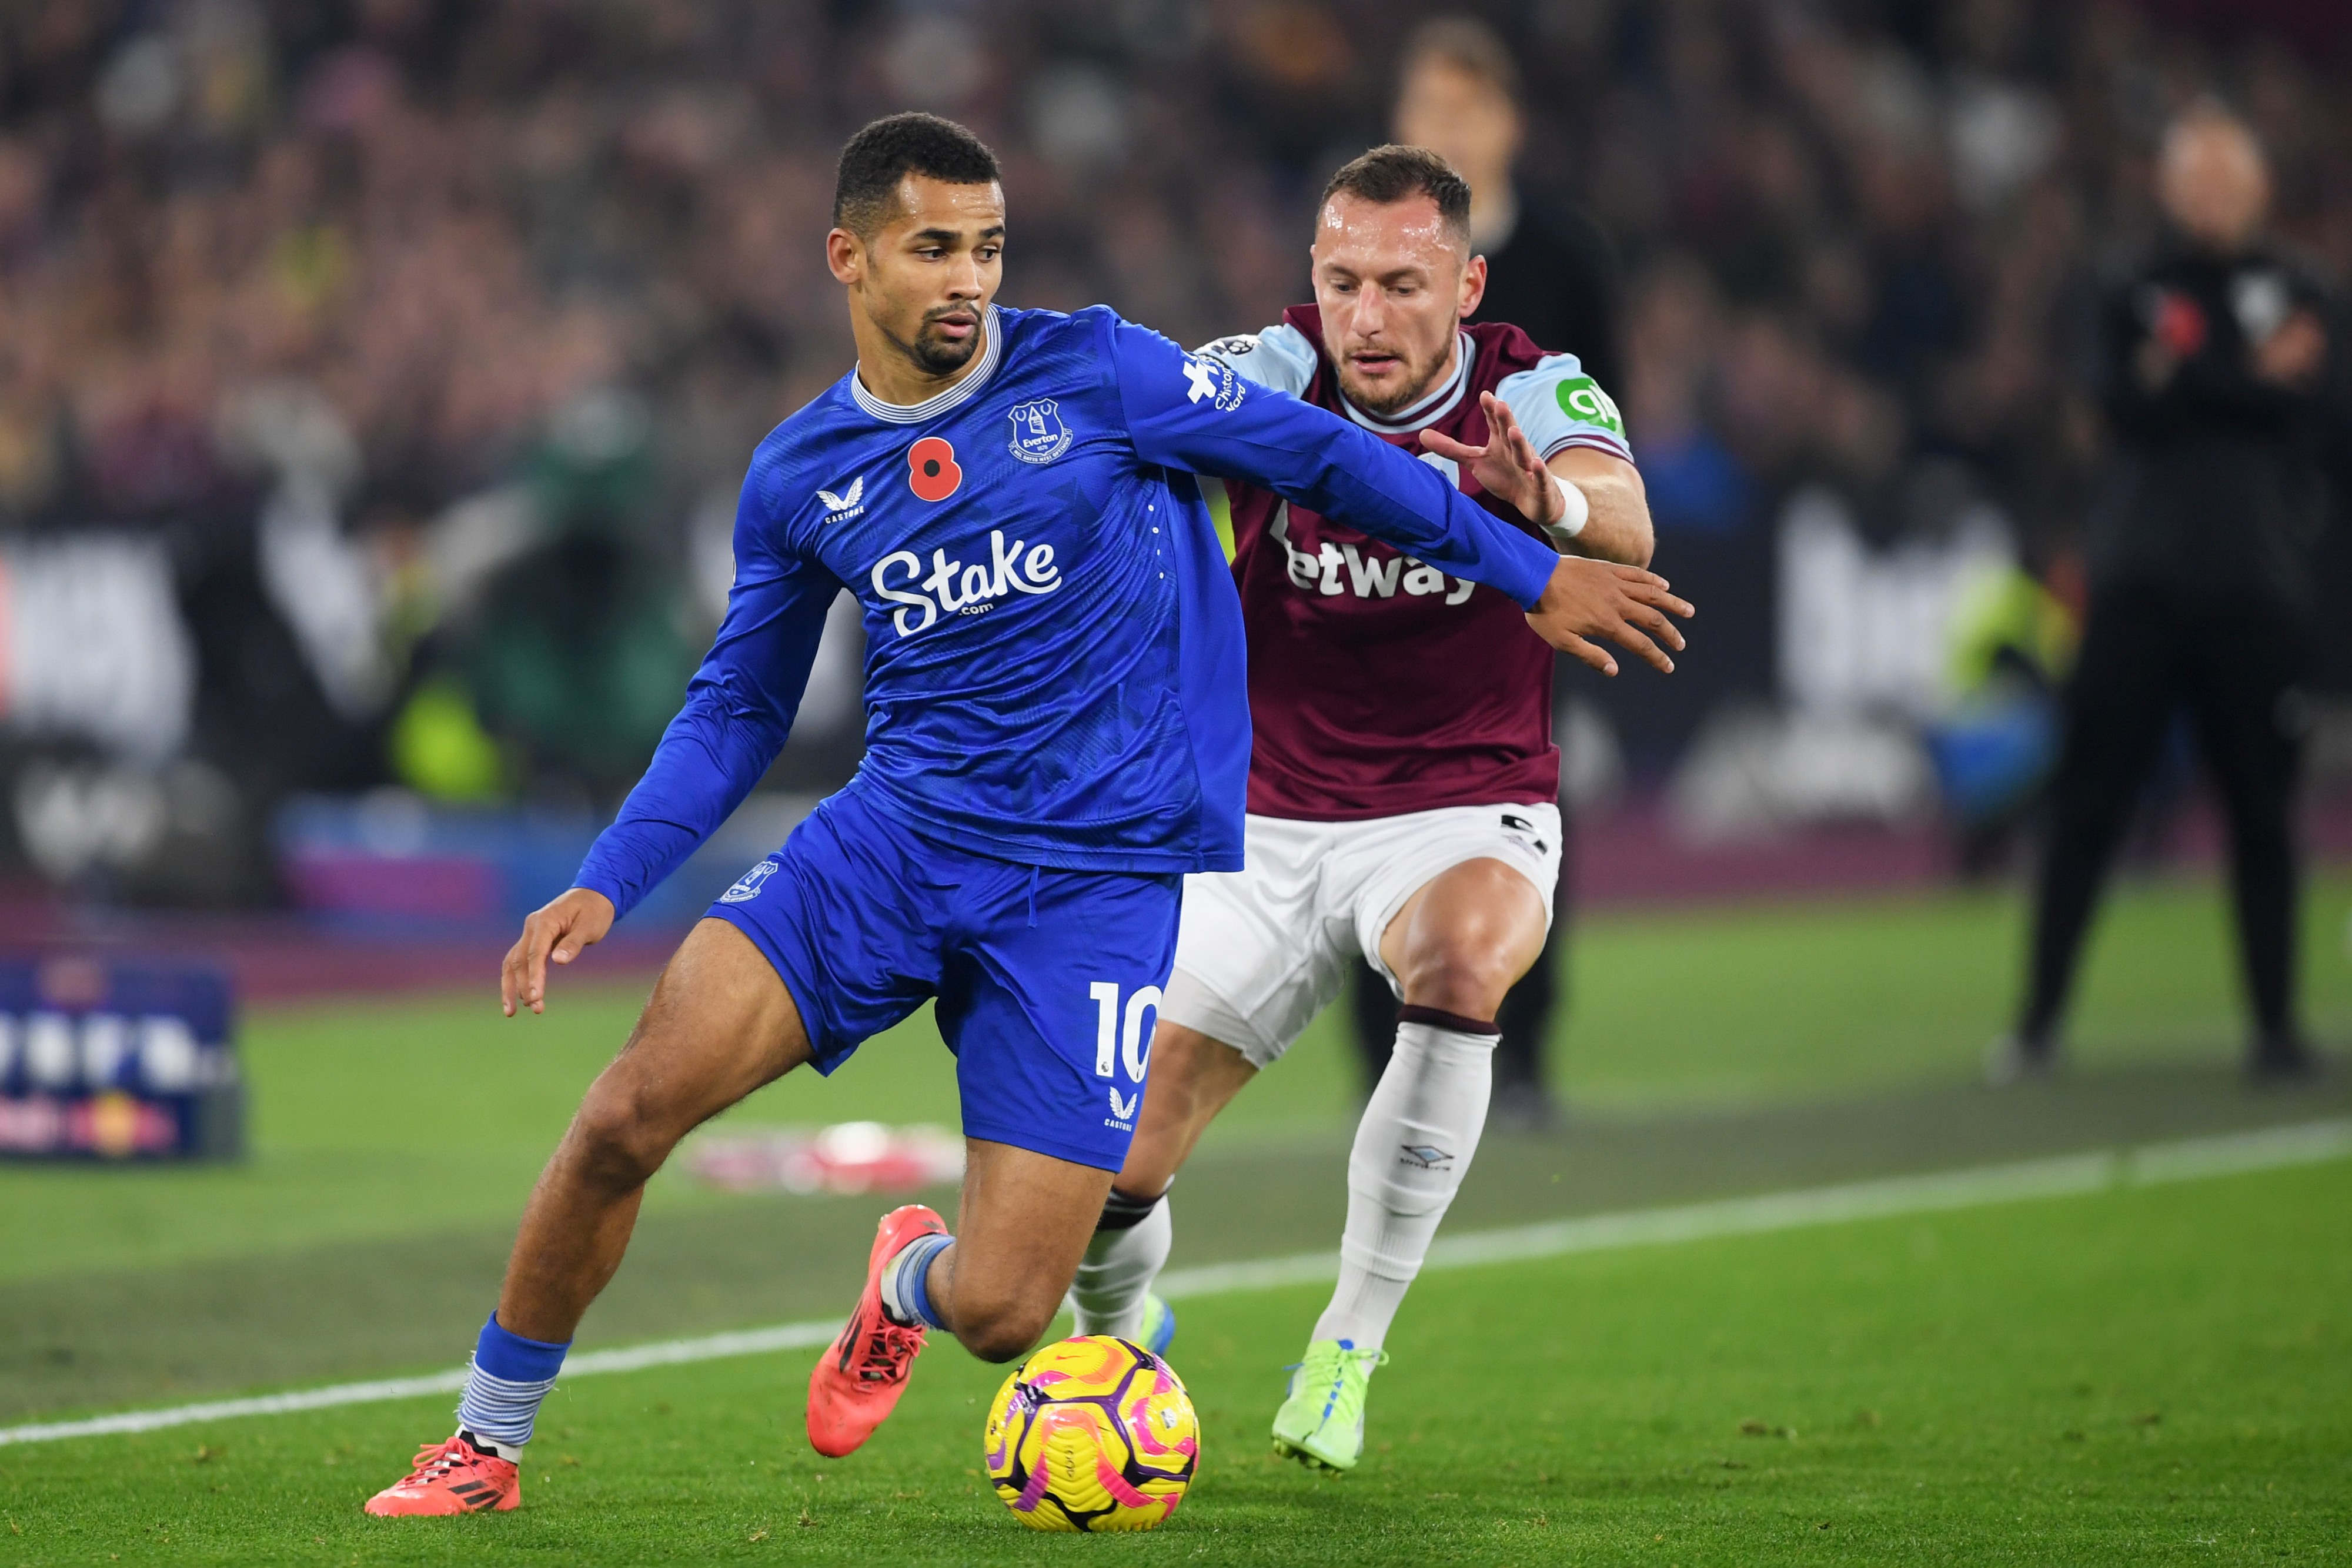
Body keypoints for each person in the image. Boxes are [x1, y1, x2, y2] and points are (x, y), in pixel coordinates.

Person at [362, 112, 1692, 1516]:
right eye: (933, 249)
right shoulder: (802, 472)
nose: (967, 280)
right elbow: (740, 706)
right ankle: (484, 1440)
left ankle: (907, 1276)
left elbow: (1327, 460)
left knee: (1003, 1309)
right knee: (628, 1108)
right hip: (891, 845)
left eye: (987, 248)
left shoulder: (1104, 369)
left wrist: (1525, 567)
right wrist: (606, 879)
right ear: (848, 257)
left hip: (1091, 891)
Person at [1066, 145, 1660, 1473]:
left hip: (1463, 798)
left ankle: (1344, 1343)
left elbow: (1620, 518)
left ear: (1466, 281)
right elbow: (1134, 417)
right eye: (1340, 281)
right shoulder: (1274, 371)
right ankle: (1115, 1335)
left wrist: (1546, 501)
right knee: (1118, 1161)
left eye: (1401, 282)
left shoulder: (1531, 383)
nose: (1367, 315)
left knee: (1458, 963)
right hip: (1263, 822)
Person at [1992, 102, 2337, 1086]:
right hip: (2139, 585)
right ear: (2168, 187)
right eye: (2194, 176)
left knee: (2264, 816)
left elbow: (2315, 406)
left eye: (2226, 176)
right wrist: (2251, 378)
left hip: (2258, 590)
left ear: (2258, 187)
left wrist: (2194, 374)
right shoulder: (2130, 283)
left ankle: (2276, 1029)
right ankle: (2037, 1022)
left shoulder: (2304, 287)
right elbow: (2123, 404)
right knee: (2088, 804)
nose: (2210, 194)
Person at [1339, 16, 1629, 1128]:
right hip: (1381, 565)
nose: (1446, 130)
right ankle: (1385, 1068)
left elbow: (1611, 417)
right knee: (1365, 804)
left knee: (1525, 799)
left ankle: (1527, 1055)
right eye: (1426, 110)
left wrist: (1578, 532)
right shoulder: (1360, 247)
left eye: (1466, 109)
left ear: (1508, 124)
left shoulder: (1566, 254)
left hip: (1524, 572)